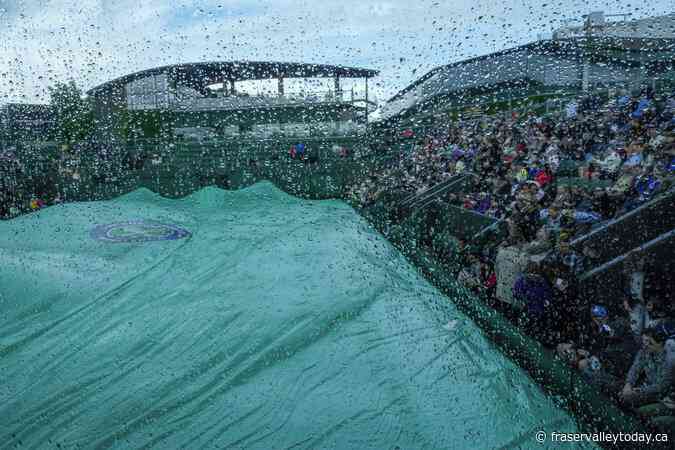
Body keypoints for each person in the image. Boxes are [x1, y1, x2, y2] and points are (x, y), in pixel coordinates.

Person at [619, 323, 675, 409]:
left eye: (649, 342)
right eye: (644, 341)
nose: (645, 344)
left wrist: (640, 391)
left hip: (660, 395)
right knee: (620, 391)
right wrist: (628, 384)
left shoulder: (669, 360)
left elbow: (661, 386)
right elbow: (635, 369)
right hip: (645, 387)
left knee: (627, 399)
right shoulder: (644, 352)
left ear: (660, 343)